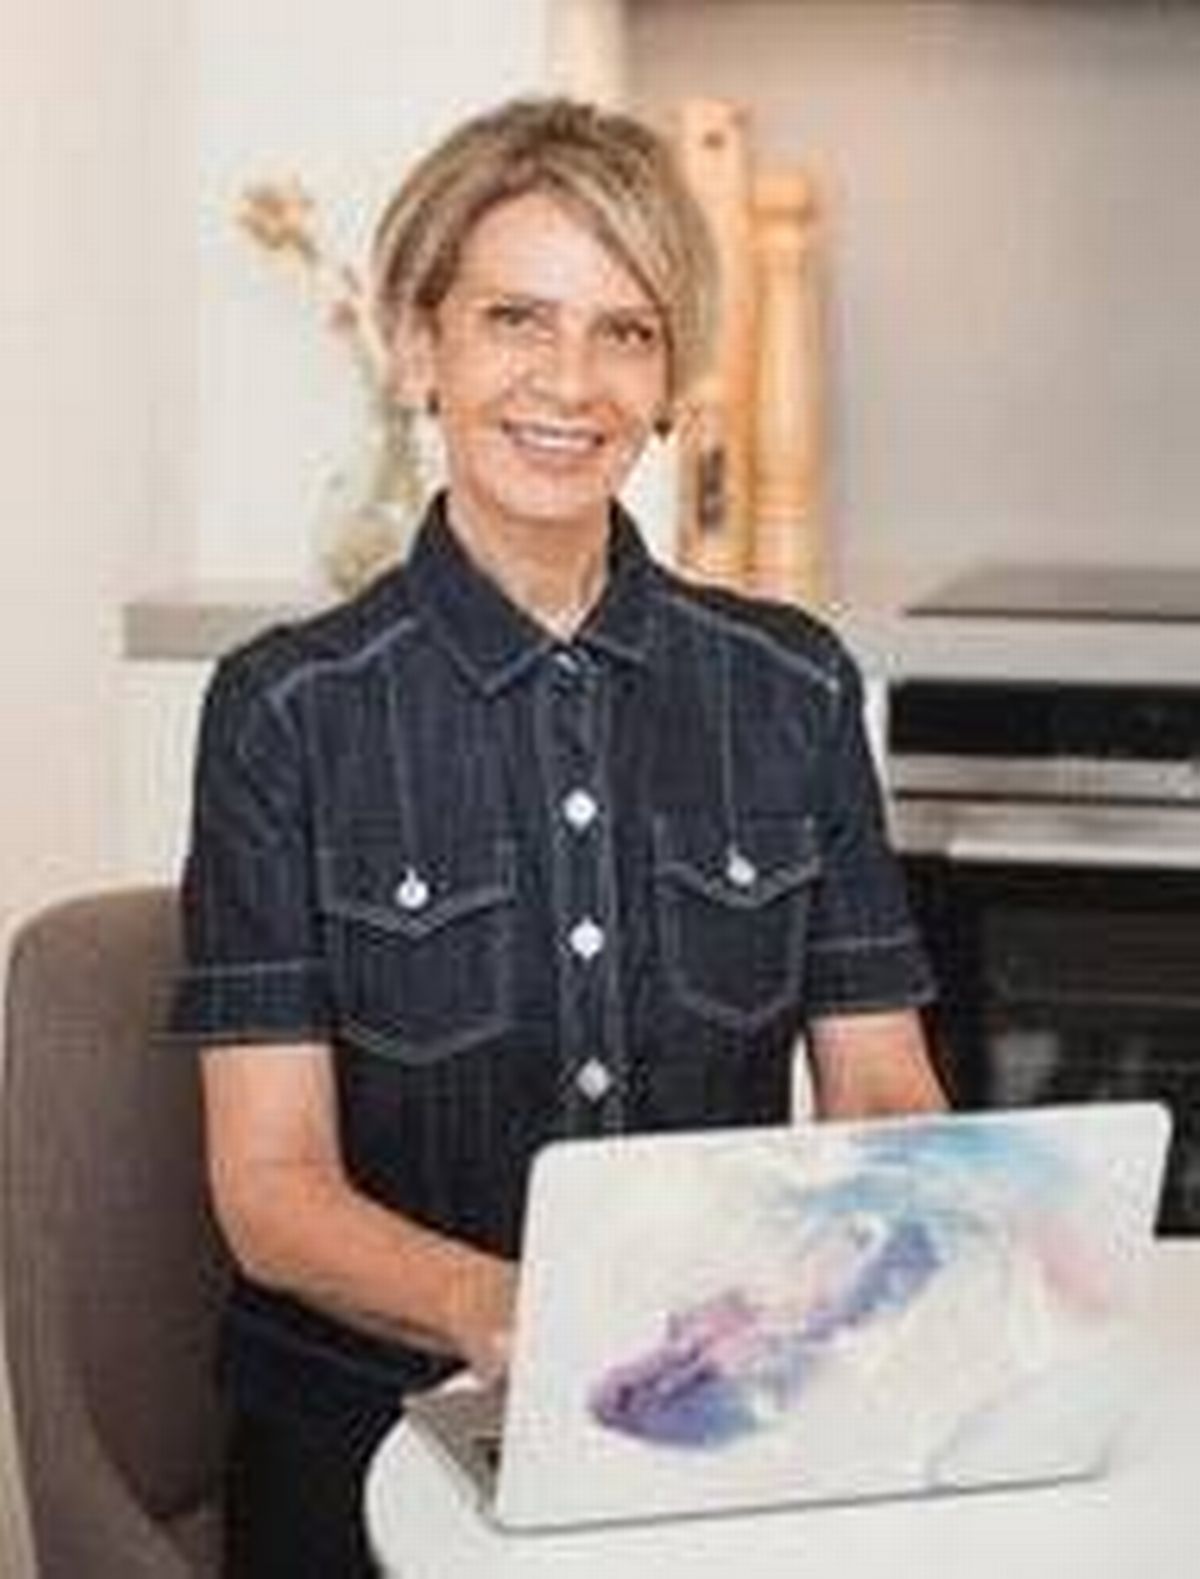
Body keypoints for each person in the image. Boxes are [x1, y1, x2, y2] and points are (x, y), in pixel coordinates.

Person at [171, 96, 945, 1579]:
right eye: (517, 318)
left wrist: (894, 1246)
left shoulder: (791, 687)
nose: (569, 382)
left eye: (626, 333)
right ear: (420, 346)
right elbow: (270, 1195)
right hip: (378, 1436)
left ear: (670, 387)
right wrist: (518, 1317)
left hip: (719, 1429)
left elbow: (881, 1082)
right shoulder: (286, 712)